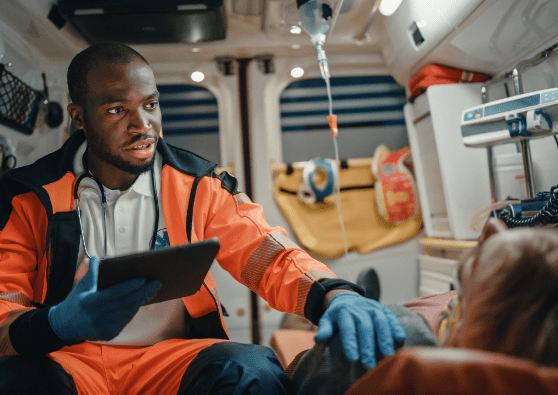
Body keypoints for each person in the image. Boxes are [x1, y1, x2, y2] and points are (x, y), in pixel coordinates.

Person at [0, 42, 405, 395]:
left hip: (166, 357)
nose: (143, 125)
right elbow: (4, 309)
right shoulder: (25, 195)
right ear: (79, 116)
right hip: (66, 357)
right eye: (117, 109)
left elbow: (267, 255)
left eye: (151, 105)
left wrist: (335, 294)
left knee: (255, 373)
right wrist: (57, 323)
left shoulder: (201, 184)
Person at [291, 217, 558, 394]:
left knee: (388, 326)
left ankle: (364, 302)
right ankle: (367, 300)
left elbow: (302, 377)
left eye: (462, 304)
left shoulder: (412, 358)